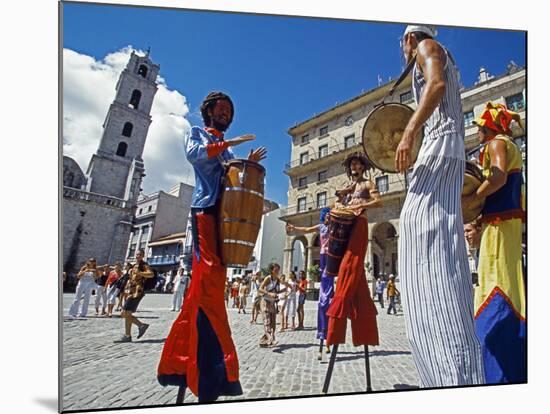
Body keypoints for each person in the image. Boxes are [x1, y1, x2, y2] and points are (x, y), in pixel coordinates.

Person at [158, 91, 267, 402]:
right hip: (205, 208)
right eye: (221, 108)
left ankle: (182, 361)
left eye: (229, 110)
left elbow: (229, 176)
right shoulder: (198, 133)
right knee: (208, 275)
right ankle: (215, 360)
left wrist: (246, 163)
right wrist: (230, 146)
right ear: (209, 111)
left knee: (210, 281)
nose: (225, 113)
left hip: (224, 212)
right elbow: (196, 155)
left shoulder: (224, 150)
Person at [395, 25, 485, 387]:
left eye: (402, 45)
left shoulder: (428, 46)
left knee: (420, 230)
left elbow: (436, 86)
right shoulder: (436, 52)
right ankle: (444, 369)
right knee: (433, 238)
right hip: (444, 149)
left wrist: (408, 131)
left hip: (440, 145)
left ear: (408, 39)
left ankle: (451, 372)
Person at [462, 102, 526, 383]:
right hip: (505, 226)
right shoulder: (511, 146)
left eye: (478, 126)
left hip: (499, 228)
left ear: (489, 125)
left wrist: (474, 199)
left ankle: (500, 374)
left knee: (495, 286)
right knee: (510, 286)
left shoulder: (496, 143)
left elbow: (498, 177)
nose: (476, 131)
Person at [325, 152, 381, 348]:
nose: (354, 168)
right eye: (352, 166)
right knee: (352, 272)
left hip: (361, 223)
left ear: (362, 168)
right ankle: (363, 330)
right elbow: (335, 204)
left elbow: (378, 201)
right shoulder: (350, 187)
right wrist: (341, 198)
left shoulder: (367, 184)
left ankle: (339, 314)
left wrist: (361, 204)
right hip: (348, 224)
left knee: (351, 263)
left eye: (357, 165)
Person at [286, 207, 333, 353]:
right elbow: (307, 230)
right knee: (324, 275)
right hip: (323, 254)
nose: (328, 218)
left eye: (330, 216)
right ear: (323, 217)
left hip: (331, 254)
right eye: (327, 216)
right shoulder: (321, 227)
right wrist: (294, 228)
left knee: (329, 278)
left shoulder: (334, 226)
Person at [115, 249, 154, 343]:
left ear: (143, 256)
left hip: (137, 292)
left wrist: (140, 273)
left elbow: (151, 274)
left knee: (125, 313)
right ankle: (129, 334)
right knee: (126, 313)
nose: (138, 256)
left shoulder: (144, 265)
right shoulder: (133, 266)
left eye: (140, 255)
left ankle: (139, 327)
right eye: (137, 254)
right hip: (130, 291)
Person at [258, 263, 289, 347]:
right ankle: (271, 339)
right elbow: (260, 289)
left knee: (273, 323)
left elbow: (275, 292)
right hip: (265, 302)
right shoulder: (268, 278)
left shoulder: (277, 280)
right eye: (276, 270)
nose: (277, 271)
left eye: (278, 269)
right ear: (271, 270)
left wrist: (283, 290)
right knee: (267, 321)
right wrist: (269, 293)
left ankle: (263, 341)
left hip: (272, 303)